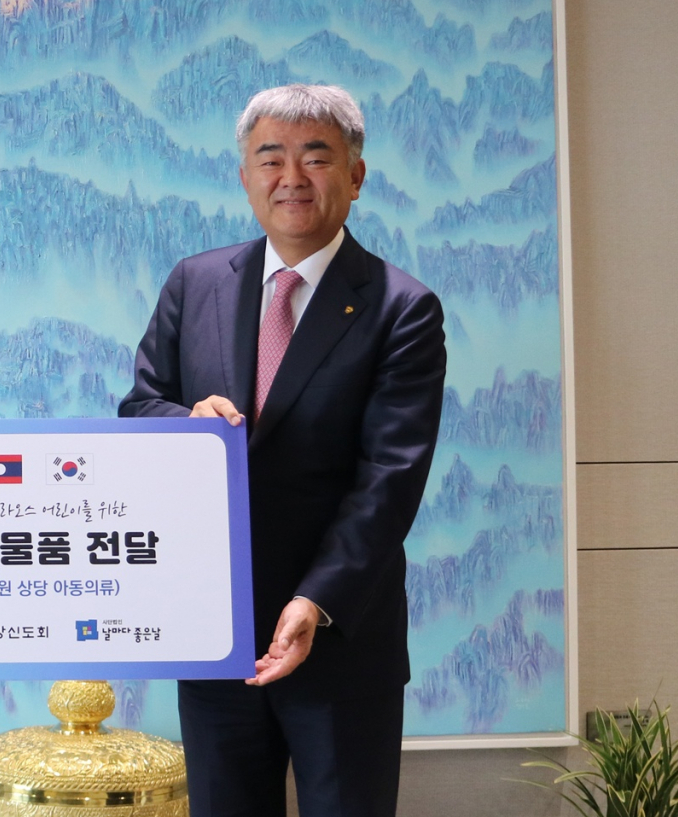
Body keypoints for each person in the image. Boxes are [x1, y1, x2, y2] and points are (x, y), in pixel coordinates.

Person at [119, 84, 446, 817]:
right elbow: (139, 409)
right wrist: (185, 418)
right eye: (270, 157)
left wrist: (315, 600)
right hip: (212, 632)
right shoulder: (195, 282)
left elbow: (389, 478)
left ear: (356, 177)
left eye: (316, 157)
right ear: (245, 175)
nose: (291, 177)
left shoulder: (402, 308)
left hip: (337, 641)